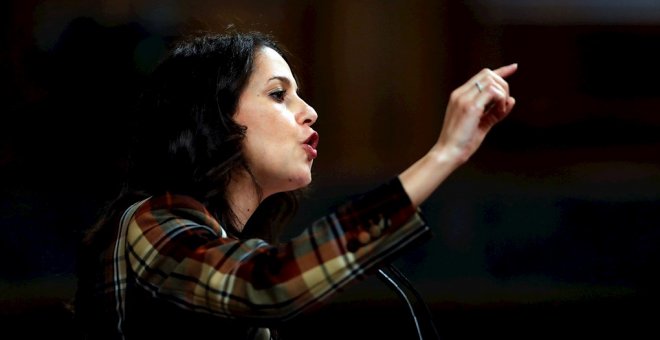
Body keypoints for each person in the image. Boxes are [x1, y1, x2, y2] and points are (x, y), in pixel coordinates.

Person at [73, 29, 517, 340]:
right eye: (278, 94)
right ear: (213, 118)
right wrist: (443, 155)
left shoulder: (223, 240)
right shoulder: (150, 224)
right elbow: (267, 285)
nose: (310, 112)